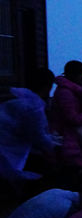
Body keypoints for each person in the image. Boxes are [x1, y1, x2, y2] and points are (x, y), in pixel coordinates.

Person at [0, 68, 60, 198]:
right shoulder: (34, 107)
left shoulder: (16, 96)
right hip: (11, 151)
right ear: (48, 86)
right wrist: (53, 145)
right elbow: (38, 136)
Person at [48, 61, 82, 191]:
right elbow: (72, 118)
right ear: (75, 74)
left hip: (70, 137)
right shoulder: (66, 93)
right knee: (72, 175)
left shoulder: (69, 91)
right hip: (67, 139)